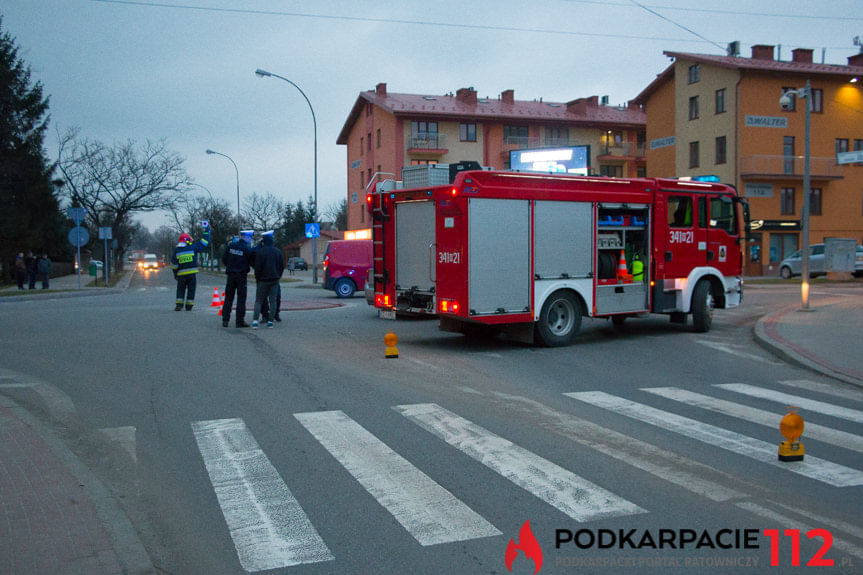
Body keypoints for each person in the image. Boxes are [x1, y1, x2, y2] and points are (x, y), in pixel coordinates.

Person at [171, 227, 210, 311]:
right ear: (187, 241)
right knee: (191, 290)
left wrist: (175, 274)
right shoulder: (193, 247)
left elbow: (174, 265)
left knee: (180, 289)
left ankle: (179, 305)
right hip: (192, 275)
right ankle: (189, 306)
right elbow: (204, 243)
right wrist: (206, 232)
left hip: (181, 275)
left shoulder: (177, 251)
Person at [251, 231, 284, 329]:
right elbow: (281, 266)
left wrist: (258, 278)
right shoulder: (278, 252)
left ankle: (255, 321)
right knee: (273, 301)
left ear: (263, 242)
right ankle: (271, 321)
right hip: (274, 279)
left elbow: (257, 267)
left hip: (262, 279)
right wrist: (278, 276)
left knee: (259, 301)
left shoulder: (260, 252)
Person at [221, 230, 254, 328]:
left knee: (228, 298)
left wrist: (230, 266)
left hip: (231, 275)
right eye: (250, 238)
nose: (250, 240)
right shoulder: (247, 249)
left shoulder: (231, 246)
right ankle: (239, 321)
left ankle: (225, 320)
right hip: (241, 276)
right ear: (247, 237)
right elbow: (251, 262)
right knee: (241, 299)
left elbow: (224, 259)